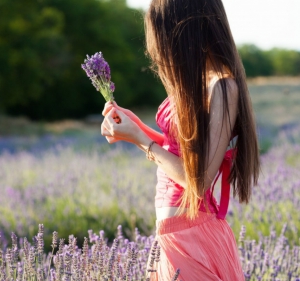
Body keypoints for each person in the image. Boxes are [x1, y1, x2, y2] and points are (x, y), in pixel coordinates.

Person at [100, 0, 260, 280]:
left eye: (163, 34)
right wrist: (135, 128)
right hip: (170, 234)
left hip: (193, 238)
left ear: (185, 29)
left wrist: (139, 139)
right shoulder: (196, 83)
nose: (159, 48)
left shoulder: (222, 86)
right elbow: (179, 151)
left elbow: (197, 181)